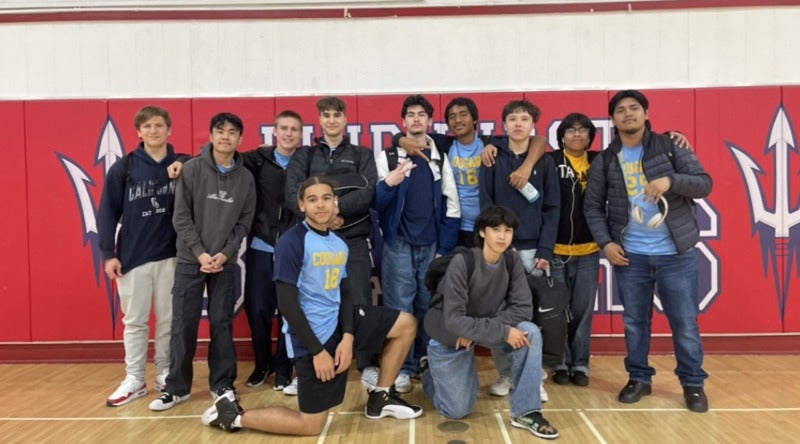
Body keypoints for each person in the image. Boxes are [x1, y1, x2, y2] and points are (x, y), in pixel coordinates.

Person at [200, 176, 422, 436]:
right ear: (302, 205)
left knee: (406, 324)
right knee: (311, 425)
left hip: (339, 321)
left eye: (326, 198)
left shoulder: (338, 243)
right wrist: (318, 351)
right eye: (313, 199)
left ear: (335, 202)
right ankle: (232, 415)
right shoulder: (292, 242)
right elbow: (287, 303)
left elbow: (345, 292)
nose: (320, 205)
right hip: (312, 334)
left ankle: (381, 397)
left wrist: (348, 336)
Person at [584, 90, 712, 413]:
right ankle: (639, 378)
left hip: (676, 255)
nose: (628, 114)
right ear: (612, 119)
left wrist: (671, 180)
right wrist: (607, 243)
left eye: (634, 108)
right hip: (631, 257)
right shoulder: (605, 160)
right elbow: (593, 206)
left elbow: (704, 183)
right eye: (621, 110)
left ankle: (693, 384)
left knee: (685, 323)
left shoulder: (671, 146)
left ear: (646, 113)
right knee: (634, 323)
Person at [422, 205, 558, 440]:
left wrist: (490, 329)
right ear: (483, 232)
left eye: (508, 230)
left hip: (476, 328)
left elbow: (523, 309)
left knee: (530, 332)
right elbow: (453, 319)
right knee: (457, 410)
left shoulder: (512, 260)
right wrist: (501, 331)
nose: (502, 236)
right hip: (449, 333)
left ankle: (527, 412)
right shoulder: (463, 262)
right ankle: (429, 374)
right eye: (496, 229)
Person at [149, 112, 256, 411]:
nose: (225, 137)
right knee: (183, 324)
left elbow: (244, 222)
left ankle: (222, 384)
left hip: (224, 263)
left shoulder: (246, 178)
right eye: (220, 131)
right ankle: (177, 388)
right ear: (210, 136)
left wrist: (225, 253)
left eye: (232, 132)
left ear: (240, 138)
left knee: (222, 323)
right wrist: (200, 253)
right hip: (190, 260)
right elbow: (181, 217)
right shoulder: (192, 169)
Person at [284, 97, 378, 388]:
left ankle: (367, 364)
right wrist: (323, 220)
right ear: (320, 120)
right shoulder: (305, 155)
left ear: (345, 120)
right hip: (315, 240)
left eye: (337, 115)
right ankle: (307, 366)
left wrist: (334, 210)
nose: (332, 120)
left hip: (354, 239)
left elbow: (368, 192)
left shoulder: (362, 154)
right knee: (312, 303)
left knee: (360, 301)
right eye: (326, 115)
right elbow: (292, 194)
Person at [374, 94, 461, 392]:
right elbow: (378, 202)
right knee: (400, 307)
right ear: (403, 121)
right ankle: (402, 367)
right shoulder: (388, 156)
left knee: (427, 304)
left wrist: (444, 247)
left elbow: (452, 204)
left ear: (429, 120)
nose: (416, 119)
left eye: (421, 114)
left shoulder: (440, 156)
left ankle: (425, 359)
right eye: (410, 115)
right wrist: (390, 183)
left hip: (431, 245)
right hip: (398, 243)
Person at [99, 106, 185, 407]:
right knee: (135, 321)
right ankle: (134, 378)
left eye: (159, 125)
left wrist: (185, 163)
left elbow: (203, 162)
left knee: (168, 321)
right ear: (138, 131)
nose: (153, 130)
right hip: (133, 257)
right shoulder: (124, 168)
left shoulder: (182, 163)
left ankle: (164, 372)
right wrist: (108, 254)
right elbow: (107, 212)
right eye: (147, 126)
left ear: (169, 129)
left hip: (172, 256)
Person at [479, 99, 560, 399]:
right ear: (504, 124)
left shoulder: (544, 162)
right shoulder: (491, 157)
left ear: (533, 125)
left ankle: (532, 378)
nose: (518, 124)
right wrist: (498, 245)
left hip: (533, 252)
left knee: (533, 320)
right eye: (512, 118)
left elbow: (552, 208)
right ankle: (507, 374)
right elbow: (486, 205)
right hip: (501, 251)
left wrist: (545, 250)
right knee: (500, 317)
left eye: (524, 119)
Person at [392, 97, 547, 247]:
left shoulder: (489, 142)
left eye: (463, 114)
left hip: (488, 225)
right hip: (456, 226)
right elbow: (410, 136)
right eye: (452, 116)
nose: (458, 120)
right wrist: (400, 140)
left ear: (474, 120)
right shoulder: (444, 144)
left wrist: (527, 167)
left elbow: (539, 140)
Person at [239, 110, 304, 391]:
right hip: (261, 247)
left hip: (292, 250)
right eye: (284, 128)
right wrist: (180, 162)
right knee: (258, 310)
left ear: (301, 134)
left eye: (294, 129)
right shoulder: (257, 159)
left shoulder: (305, 162)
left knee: (290, 313)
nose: (289, 133)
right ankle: (262, 364)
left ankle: (283, 367)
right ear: (274, 132)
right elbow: (220, 157)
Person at [548, 113, 601, 387]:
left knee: (582, 311)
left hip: (589, 250)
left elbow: (636, 143)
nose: (577, 134)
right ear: (561, 136)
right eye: (571, 130)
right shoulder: (550, 161)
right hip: (556, 250)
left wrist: (672, 134)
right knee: (557, 310)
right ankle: (559, 362)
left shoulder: (599, 161)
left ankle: (580, 363)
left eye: (582, 130)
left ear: (590, 136)